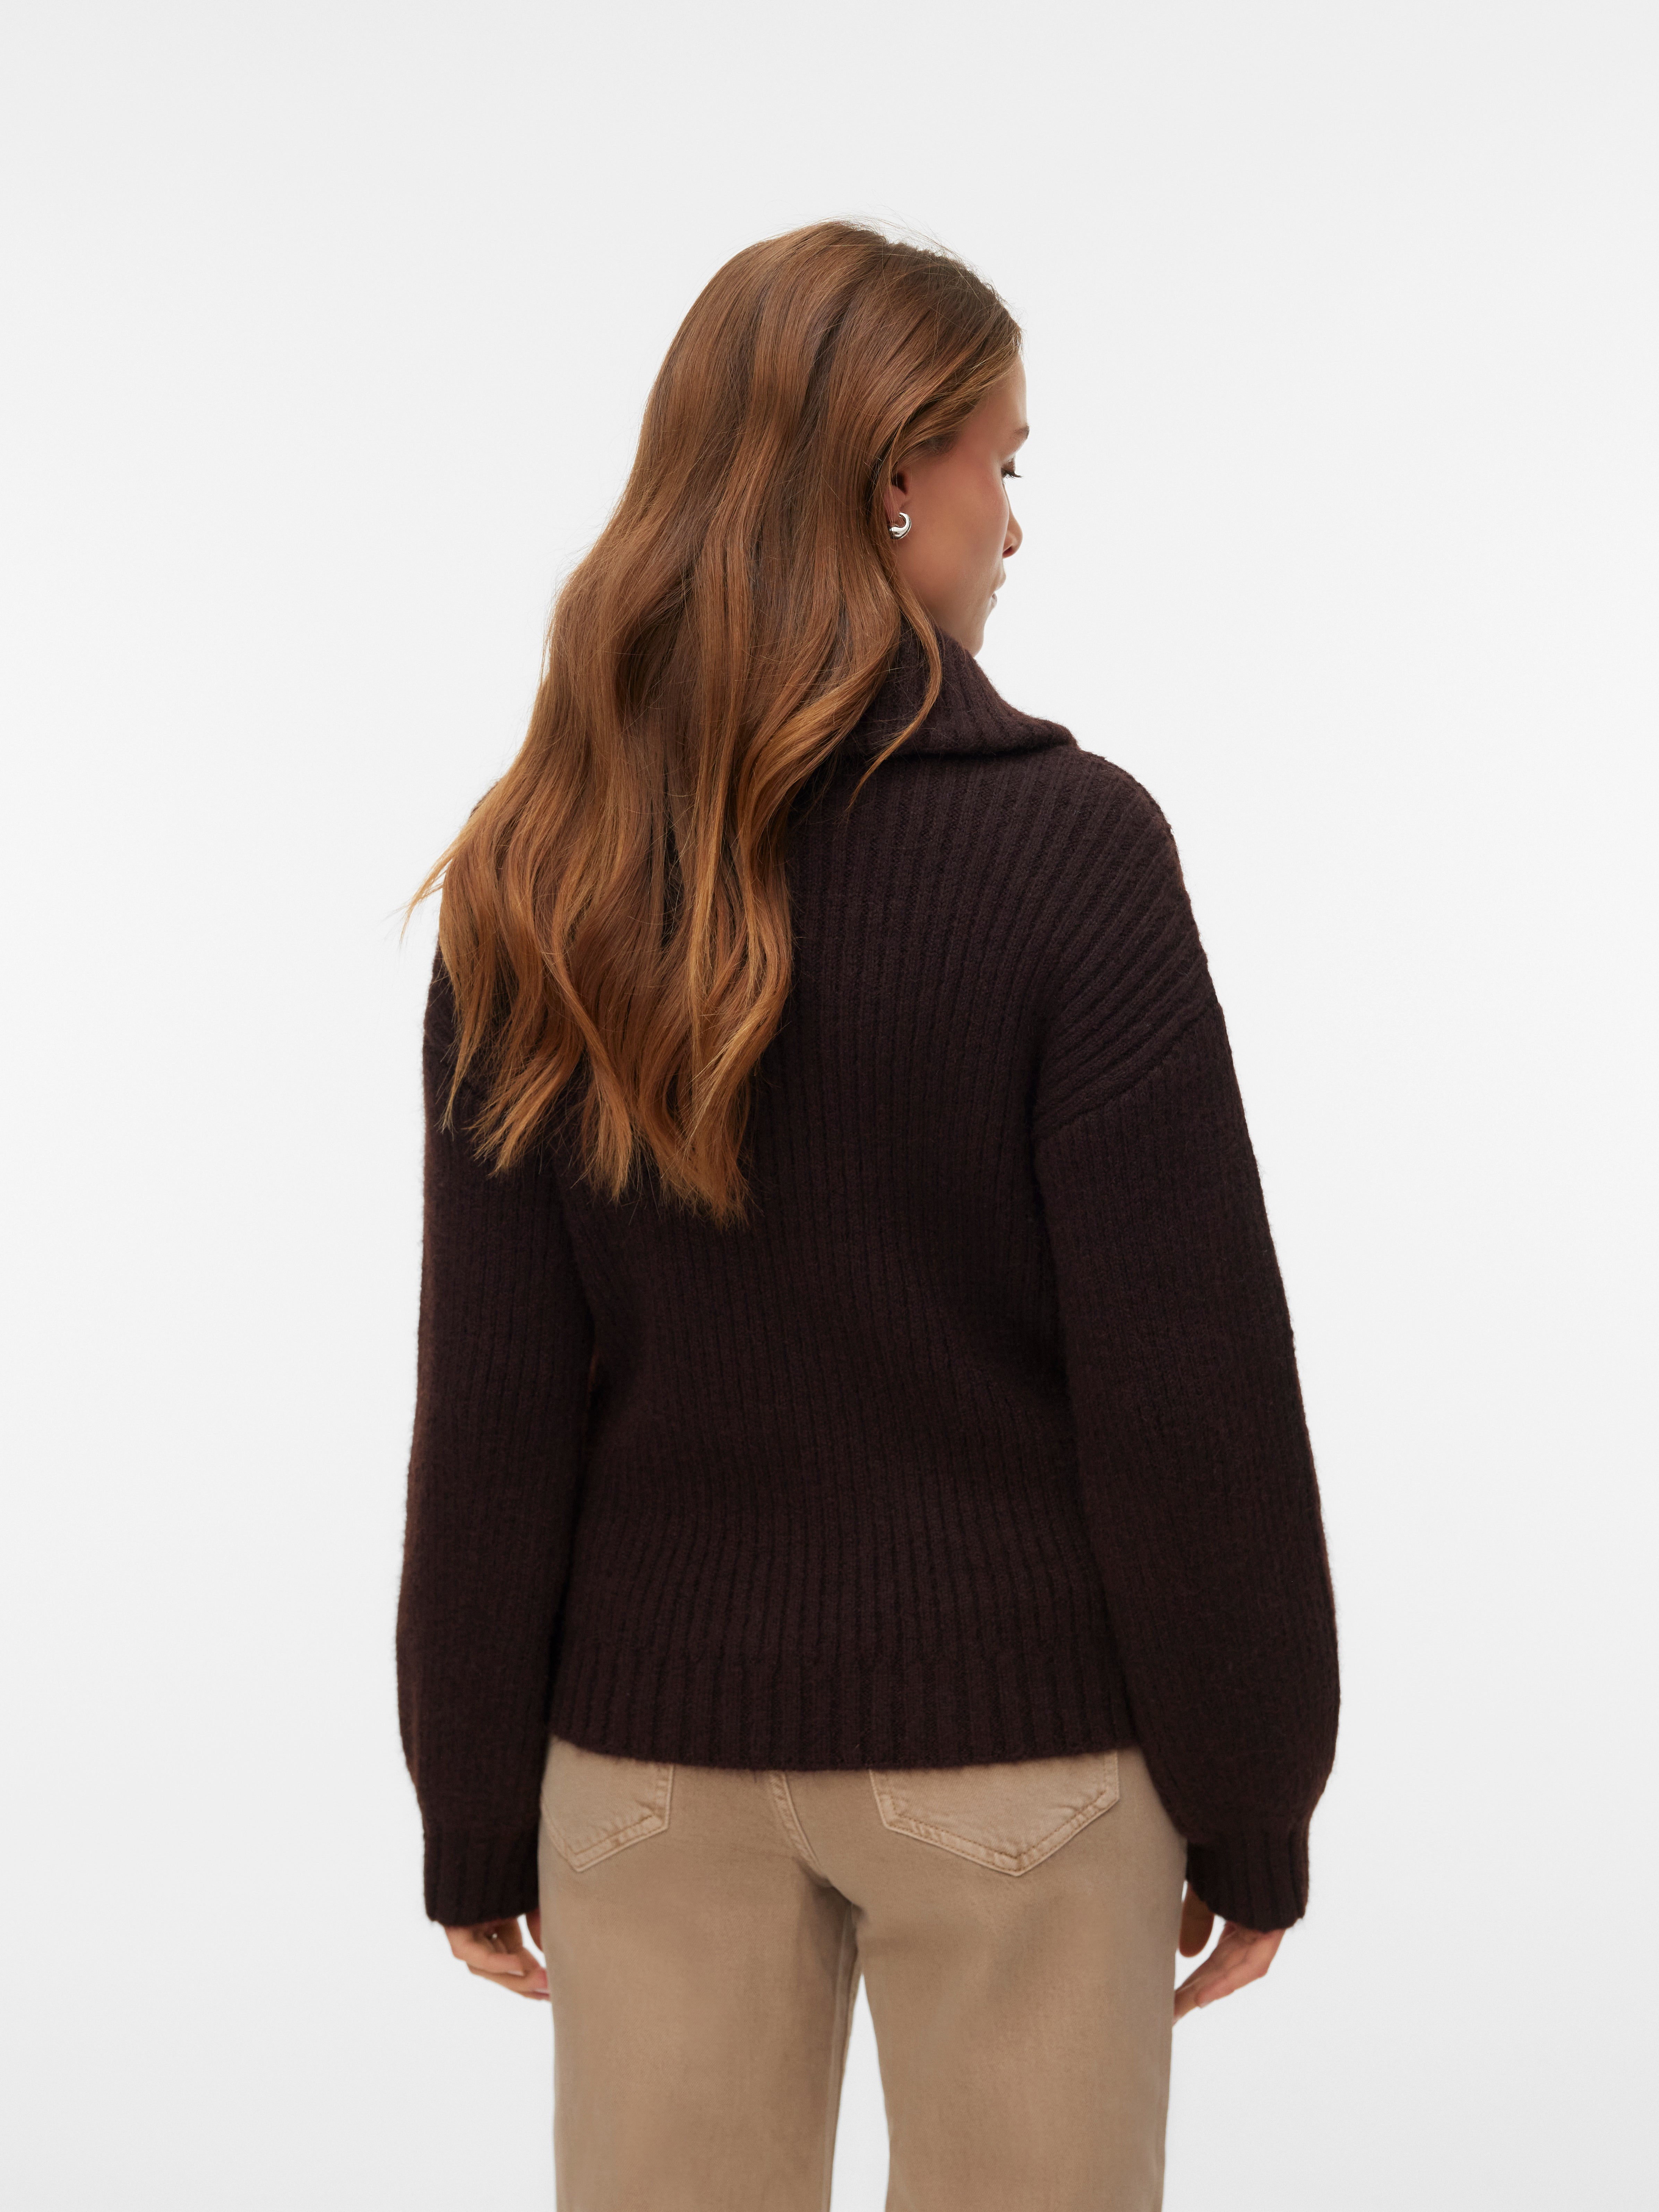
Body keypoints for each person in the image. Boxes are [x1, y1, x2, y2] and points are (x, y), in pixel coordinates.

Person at [397, 219, 1339, 2211]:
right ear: (898, 477)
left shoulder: (541, 867)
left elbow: (495, 1400)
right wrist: (1256, 1795)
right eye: (1006, 461)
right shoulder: (1071, 854)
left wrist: (472, 1794)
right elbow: (1186, 1389)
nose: (1016, 521)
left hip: (644, 1768)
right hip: (1017, 1757)